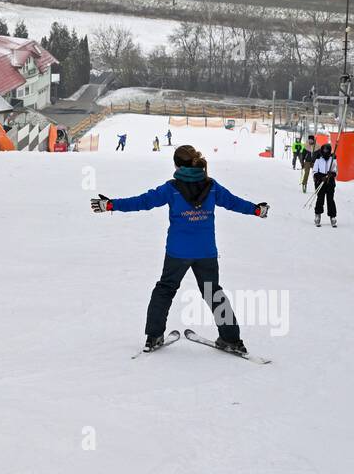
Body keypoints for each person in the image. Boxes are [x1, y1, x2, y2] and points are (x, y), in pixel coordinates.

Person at [90, 144, 268, 355]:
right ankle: (231, 339)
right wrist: (256, 210)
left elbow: (143, 201)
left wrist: (111, 205)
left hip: (178, 251)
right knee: (213, 292)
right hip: (206, 252)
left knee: (165, 289)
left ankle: (154, 336)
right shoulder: (212, 187)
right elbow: (234, 202)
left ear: (177, 165)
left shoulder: (171, 188)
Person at [312, 143, 338, 227]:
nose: (325, 151)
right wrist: (320, 177)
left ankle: (332, 216)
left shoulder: (333, 159)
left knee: (330, 199)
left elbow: (335, 171)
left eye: (327, 150)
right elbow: (315, 171)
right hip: (320, 181)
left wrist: (331, 174)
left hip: (330, 182)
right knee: (320, 199)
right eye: (324, 150)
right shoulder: (318, 158)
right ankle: (317, 215)